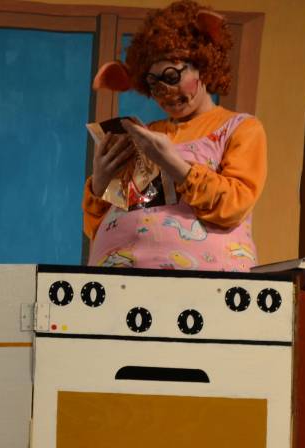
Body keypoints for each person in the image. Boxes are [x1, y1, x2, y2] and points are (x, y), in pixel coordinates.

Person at [83, 0, 267, 271]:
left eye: (172, 76)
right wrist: (100, 185)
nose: (165, 92)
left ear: (202, 65)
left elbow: (235, 204)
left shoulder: (241, 128)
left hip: (202, 284)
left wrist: (173, 164)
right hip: (120, 281)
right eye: (154, 83)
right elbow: (96, 226)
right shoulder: (147, 133)